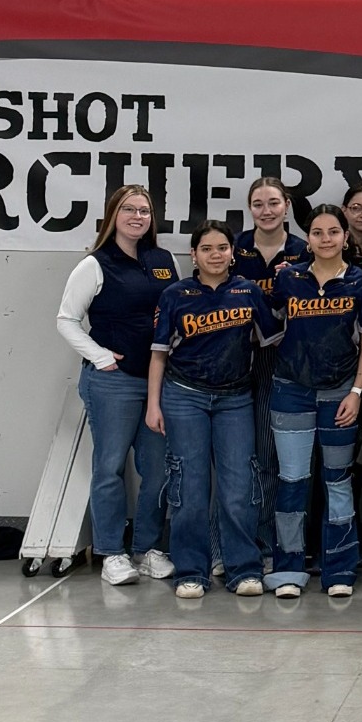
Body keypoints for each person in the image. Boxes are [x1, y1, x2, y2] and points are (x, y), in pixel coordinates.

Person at [146, 221, 282, 598]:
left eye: (223, 247)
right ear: (194, 255)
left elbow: (275, 335)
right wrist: (153, 405)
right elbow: (158, 355)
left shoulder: (247, 291)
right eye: (207, 248)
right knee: (189, 487)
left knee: (238, 487)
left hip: (235, 398)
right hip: (184, 395)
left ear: (232, 252)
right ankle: (191, 570)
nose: (216, 255)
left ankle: (244, 570)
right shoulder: (175, 295)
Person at [56, 185, 179, 585]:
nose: (137, 216)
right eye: (129, 209)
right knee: (109, 468)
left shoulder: (163, 259)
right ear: (113, 215)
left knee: (157, 470)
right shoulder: (95, 264)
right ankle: (112, 554)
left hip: (159, 382)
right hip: (114, 383)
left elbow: (176, 311)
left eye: (144, 210)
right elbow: (66, 320)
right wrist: (100, 356)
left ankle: (147, 549)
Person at [266, 205, 362, 598]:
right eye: (317, 232)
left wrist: (357, 392)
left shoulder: (360, 282)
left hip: (340, 393)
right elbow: (267, 326)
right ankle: (288, 570)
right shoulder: (289, 280)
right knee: (293, 480)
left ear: (345, 238)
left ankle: (339, 569)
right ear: (308, 238)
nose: (326, 239)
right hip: (291, 390)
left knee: (338, 480)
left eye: (334, 232)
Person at [233, 178, 309, 570]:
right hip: (232, 360)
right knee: (235, 461)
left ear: (287, 206)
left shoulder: (303, 251)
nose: (266, 210)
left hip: (283, 360)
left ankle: (267, 545)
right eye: (258, 204)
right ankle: (232, 546)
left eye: (274, 203)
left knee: (269, 458)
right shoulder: (233, 248)